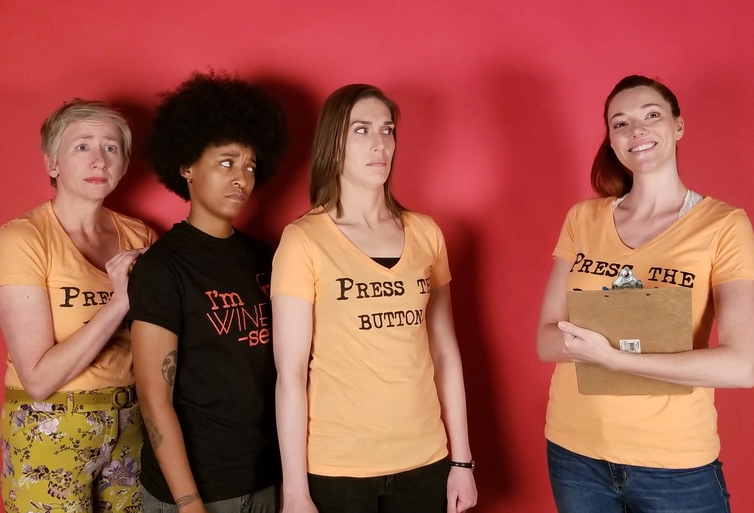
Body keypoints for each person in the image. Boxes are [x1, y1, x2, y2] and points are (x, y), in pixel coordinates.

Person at [537, 75, 754, 513]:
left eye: (651, 115)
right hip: (575, 452)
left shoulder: (724, 226)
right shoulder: (582, 219)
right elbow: (546, 340)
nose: (636, 130)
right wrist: (609, 347)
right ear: (612, 140)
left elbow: (743, 365)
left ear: (678, 126)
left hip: (674, 462)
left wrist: (614, 358)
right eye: (620, 123)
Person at [272, 84, 477, 513]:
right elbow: (290, 376)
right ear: (334, 144)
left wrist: (462, 461)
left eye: (387, 130)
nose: (379, 143)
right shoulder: (303, 240)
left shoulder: (426, 233)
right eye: (361, 130)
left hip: (425, 457)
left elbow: (445, 354)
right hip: (338, 467)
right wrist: (294, 491)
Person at [128, 71, 288, 513]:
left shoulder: (269, 257)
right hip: (196, 489)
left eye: (250, 166)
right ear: (186, 166)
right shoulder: (163, 267)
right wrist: (188, 502)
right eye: (226, 162)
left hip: (265, 478)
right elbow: (154, 398)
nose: (242, 178)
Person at [0, 99, 155, 512]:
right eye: (82, 146)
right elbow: (38, 380)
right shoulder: (22, 240)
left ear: (124, 164)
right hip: (49, 426)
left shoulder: (140, 237)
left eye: (111, 147)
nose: (99, 159)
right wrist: (120, 302)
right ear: (52, 163)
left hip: (130, 421)